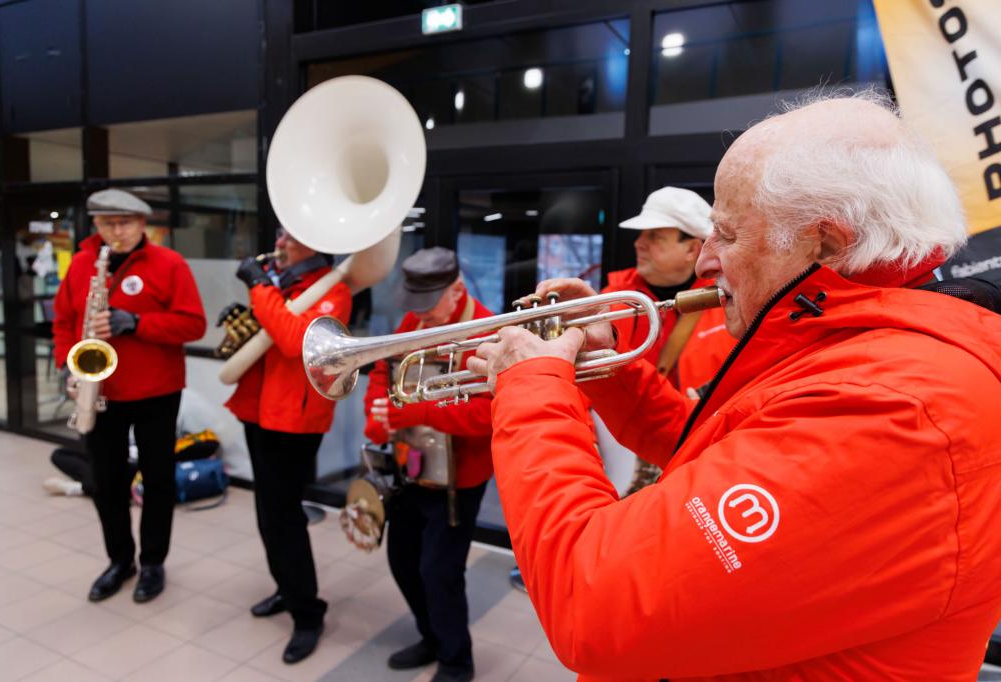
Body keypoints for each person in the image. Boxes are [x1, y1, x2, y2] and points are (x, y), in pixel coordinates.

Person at [468, 91, 1001, 679]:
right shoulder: (857, 344)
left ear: (824, 244)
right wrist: (611, 363)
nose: (705, 262)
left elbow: (592, 603)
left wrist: (530, 388)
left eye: (727, 234)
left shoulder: (900, 406)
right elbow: (701, 451)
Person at [52, 188, 206, 604]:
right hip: (100, 390)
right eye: (106, 224)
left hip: (157, 390)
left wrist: (136, 322)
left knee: (157, 480)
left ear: (143, 224)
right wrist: (67, 361)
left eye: (125, 223)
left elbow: (194, 325)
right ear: (96, 225)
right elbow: (64, 320)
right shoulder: (83, 263)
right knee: (106, 482)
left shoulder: (169, 263)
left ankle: (153, 562)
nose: (116, 232)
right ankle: (120, 560)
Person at [363, 247, 493, 682]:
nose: (419, 316)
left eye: (429, 304)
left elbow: (493, 413)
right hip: (410, 466)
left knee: (440, 572)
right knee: (402, 561)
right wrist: (375, 415)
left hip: (461, 477)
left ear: (457, 289)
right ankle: (432, 636)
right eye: (414, 305)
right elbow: (385, 371)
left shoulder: (486, 329)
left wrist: (418, 413)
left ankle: (457, 659)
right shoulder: (415, 323)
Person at [223, 227, 351, 664]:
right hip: (259, 411)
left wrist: (259, 287)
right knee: (268, 513)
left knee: (285, 517)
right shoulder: (288, 285)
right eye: (281, 235)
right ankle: (286, 588)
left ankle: (308, 613)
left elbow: (295, 341)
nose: (281, 243)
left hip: (293, 421)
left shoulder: (334, 290)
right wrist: (249, 309)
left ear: (317, 243)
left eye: (291, 238)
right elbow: (271, 330)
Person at [603, 186, 736, 494]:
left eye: (654, 237)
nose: (639, 244)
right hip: (623, 464)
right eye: (640, 235)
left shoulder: (733, 304)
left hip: (706, 465)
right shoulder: (610, 303)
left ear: (692, 249)